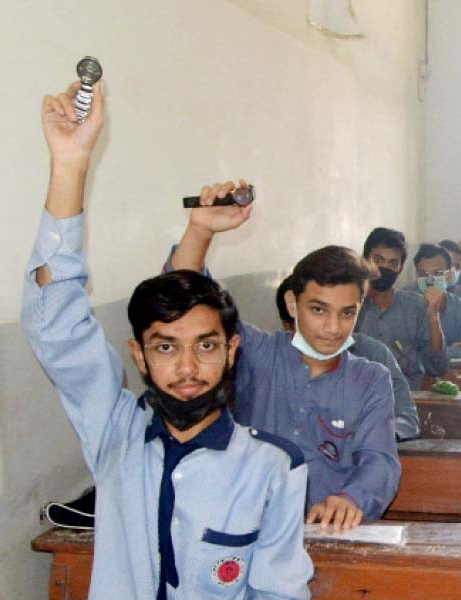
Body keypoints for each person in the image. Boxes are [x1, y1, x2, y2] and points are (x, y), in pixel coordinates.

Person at [22, 82, 312, 599]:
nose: (185, 366)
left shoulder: (273, 467)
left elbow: (278, 592)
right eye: (163, 346)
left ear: (231, 351)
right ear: (138, 355)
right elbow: (56, 324)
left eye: (205, 346)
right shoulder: (117, 437)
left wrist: (198, 235)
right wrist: (70, 167)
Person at [168, 194, 401, 530]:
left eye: (347, 312)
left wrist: (351, 499)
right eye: (318, 310)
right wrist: (200, 230)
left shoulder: (371, 379)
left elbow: (380, 461)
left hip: (325, 534)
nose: (333, 328)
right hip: (246, 529)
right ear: (292, 304)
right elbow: (189, 300)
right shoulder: (256, 352)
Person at [276, 275, 420, 439]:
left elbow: (407, 418)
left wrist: (373, 435)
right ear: (287, 325)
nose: (331, 330)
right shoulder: (270, 366)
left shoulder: (374, 354)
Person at [355, 227, 449, 391]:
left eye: (393, 263)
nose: (384, 268)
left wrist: (434, 318)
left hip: (405, 399)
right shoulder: (349, 306)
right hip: (358, 396)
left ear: (400, 268)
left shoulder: (415, 306)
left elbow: (437, 367)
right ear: (365, 260)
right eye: (378, 260)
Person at [412, 244, 461, 359]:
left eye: (437, 273)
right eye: (423, 274)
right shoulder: (406, 307)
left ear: (448, 275)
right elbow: (403, 353)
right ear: (416, 275)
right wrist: (451, 349)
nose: (430, 280)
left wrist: (432, 353)